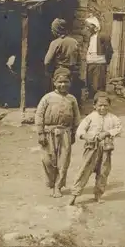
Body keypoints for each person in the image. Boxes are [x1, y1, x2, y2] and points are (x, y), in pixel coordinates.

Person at [69, 92, 123, 205]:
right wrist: (85, 136)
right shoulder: (90, 117)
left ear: (109, 106)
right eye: (100, 105)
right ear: (94, 105)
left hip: (106, 149)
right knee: (84, 170)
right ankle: (75, 194)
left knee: (103, 172)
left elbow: (119, 129)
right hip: (91, 148)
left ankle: (98, 194)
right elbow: (80, 130)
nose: (102, 108)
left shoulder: (113, 118)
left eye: (105, 105)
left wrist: (108, 133)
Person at [34, 67, 81, 198]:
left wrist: (73, 133)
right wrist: (40, 133)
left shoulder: (72, 99)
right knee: (47, 160)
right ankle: (50, 182)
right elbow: (39, 115)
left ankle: (58, 186)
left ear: (70, 83)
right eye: (59, 82)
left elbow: (77, 117)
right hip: (48, 133)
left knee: (63, 162)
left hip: (65, 133)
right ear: (54, 82)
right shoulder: (47, 98)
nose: (63, 85)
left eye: (66, 82)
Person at [44, 18, 82, 103]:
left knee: (58, 96)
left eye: (53, 29)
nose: (52, 31)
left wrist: (48, 72)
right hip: (72, 72)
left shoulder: (55, 43)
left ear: (57, 30)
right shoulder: (74, 42)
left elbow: (47, 61)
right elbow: (79, 59)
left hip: (59, 71)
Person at [85, 16, 113, 99]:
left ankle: (100, 101)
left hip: (99, 64)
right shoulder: (91, 36)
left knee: (98, 85)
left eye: (88, 26)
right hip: (91, 64)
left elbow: (109, 51)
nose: (87, 28)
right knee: (90, 84)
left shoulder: (102, 36)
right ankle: (92, 101)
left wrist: (105, 62)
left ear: (94, 26)